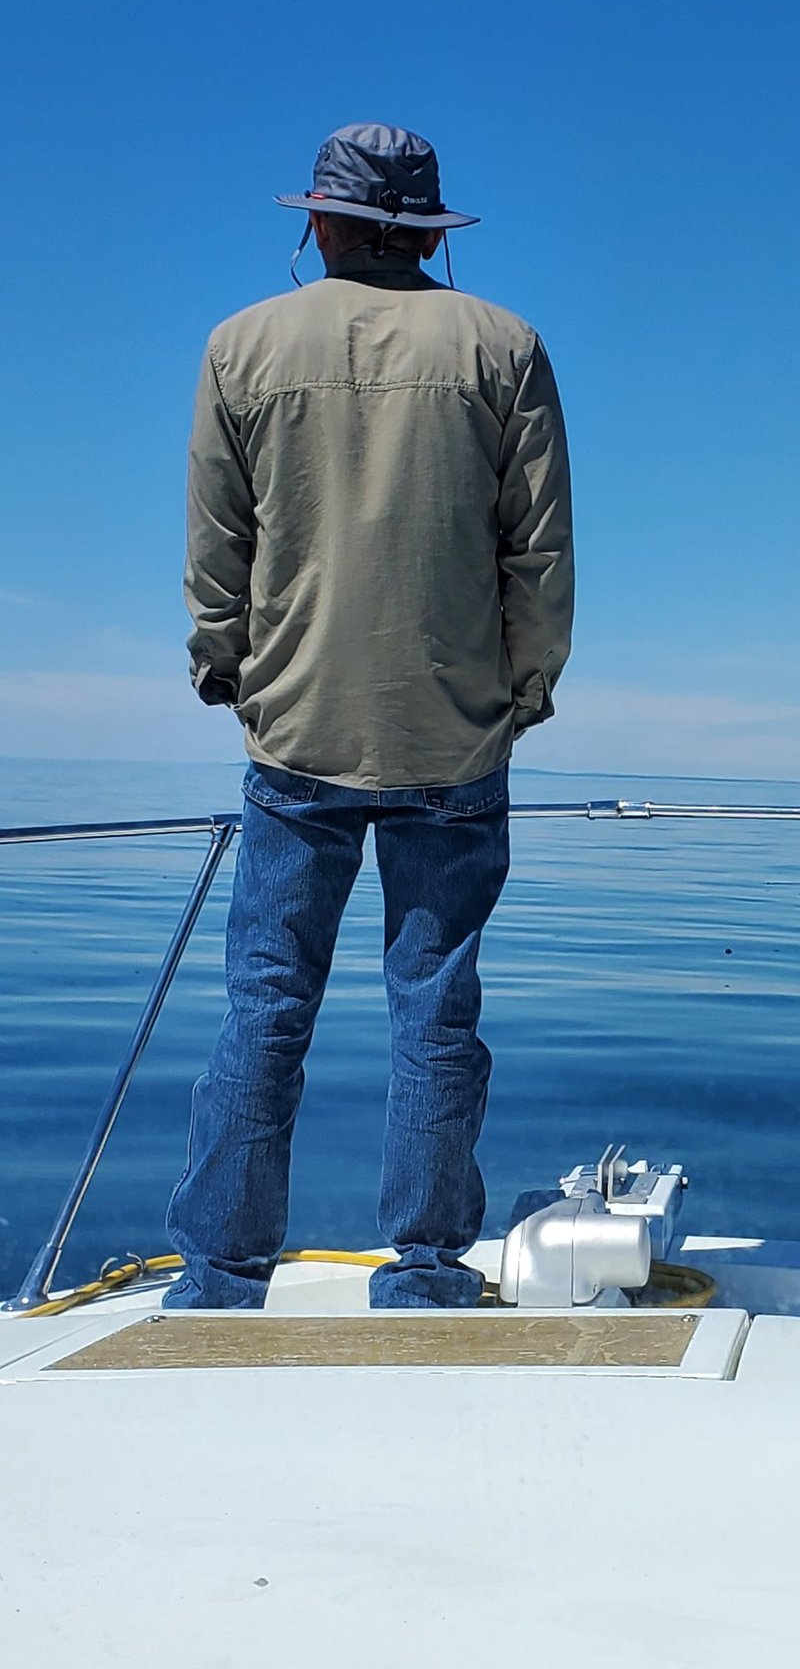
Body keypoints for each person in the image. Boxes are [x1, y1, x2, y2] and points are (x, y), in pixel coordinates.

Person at [166, 122, 574, 1310]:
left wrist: (225, 666)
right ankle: (430, 1271)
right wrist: (525, 689)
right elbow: (536, 548)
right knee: (436, 1008)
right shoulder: (506, 344)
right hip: (457, 731)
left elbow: (217, 544)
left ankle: (220, 1280)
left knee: (267, 1004)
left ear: (322, 223)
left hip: (295, 726)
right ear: (429, 232)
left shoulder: (241, 344)